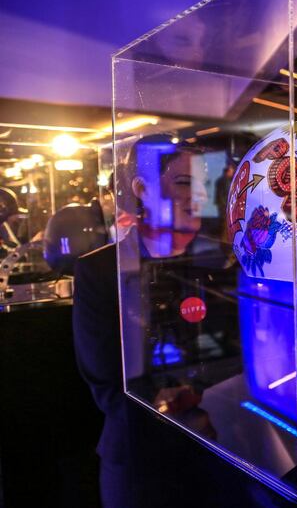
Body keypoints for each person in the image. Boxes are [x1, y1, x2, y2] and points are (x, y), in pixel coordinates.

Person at [73, 135, 234, 507]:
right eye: (183, 183)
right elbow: (105, 378)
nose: (198, 196)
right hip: (143, 461)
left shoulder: (220, 262)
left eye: (205, 185)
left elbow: (237, 352)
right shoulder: (101, 270)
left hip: (222, 446)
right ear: (142, 189)